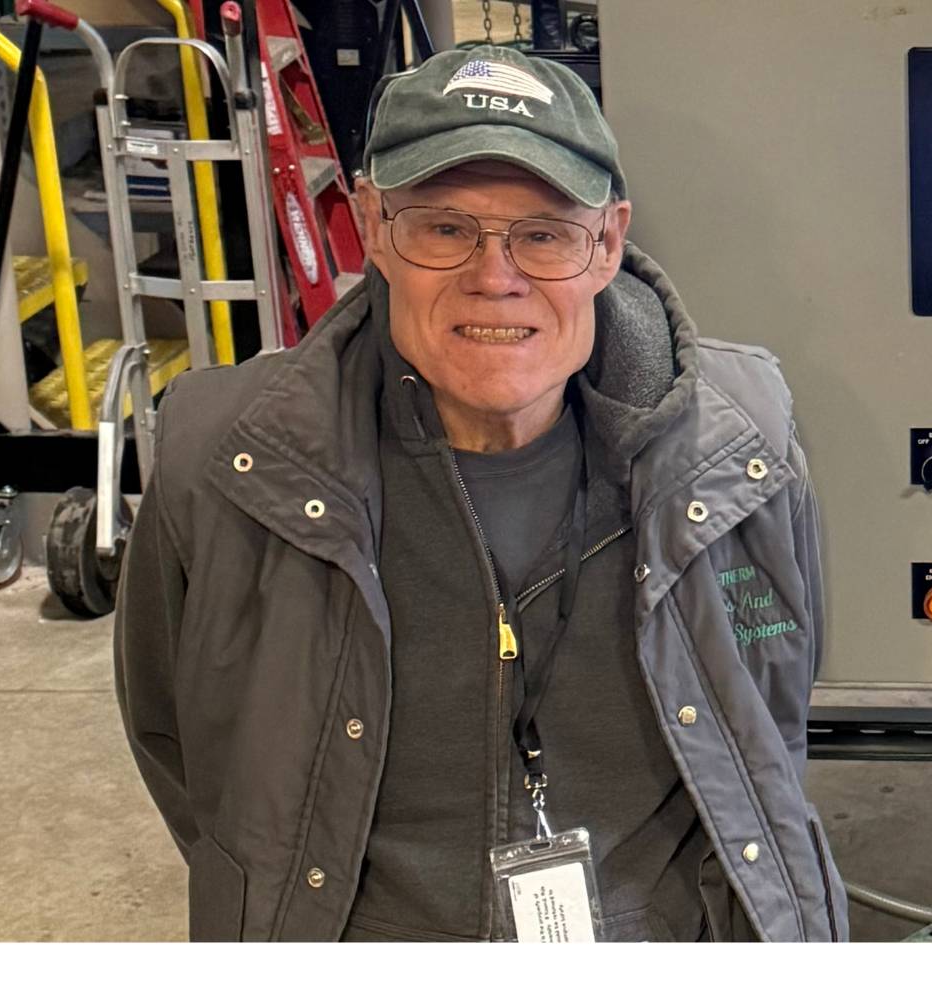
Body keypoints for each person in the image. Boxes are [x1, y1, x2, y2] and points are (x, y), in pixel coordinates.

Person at [112, 46, 843, 942]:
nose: (495, 276)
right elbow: (185, 754)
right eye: (444, 227)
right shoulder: (227, 463)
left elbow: (774, 715)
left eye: (543, 233)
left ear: (608, 242)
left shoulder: (739, 449)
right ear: (375, 227)